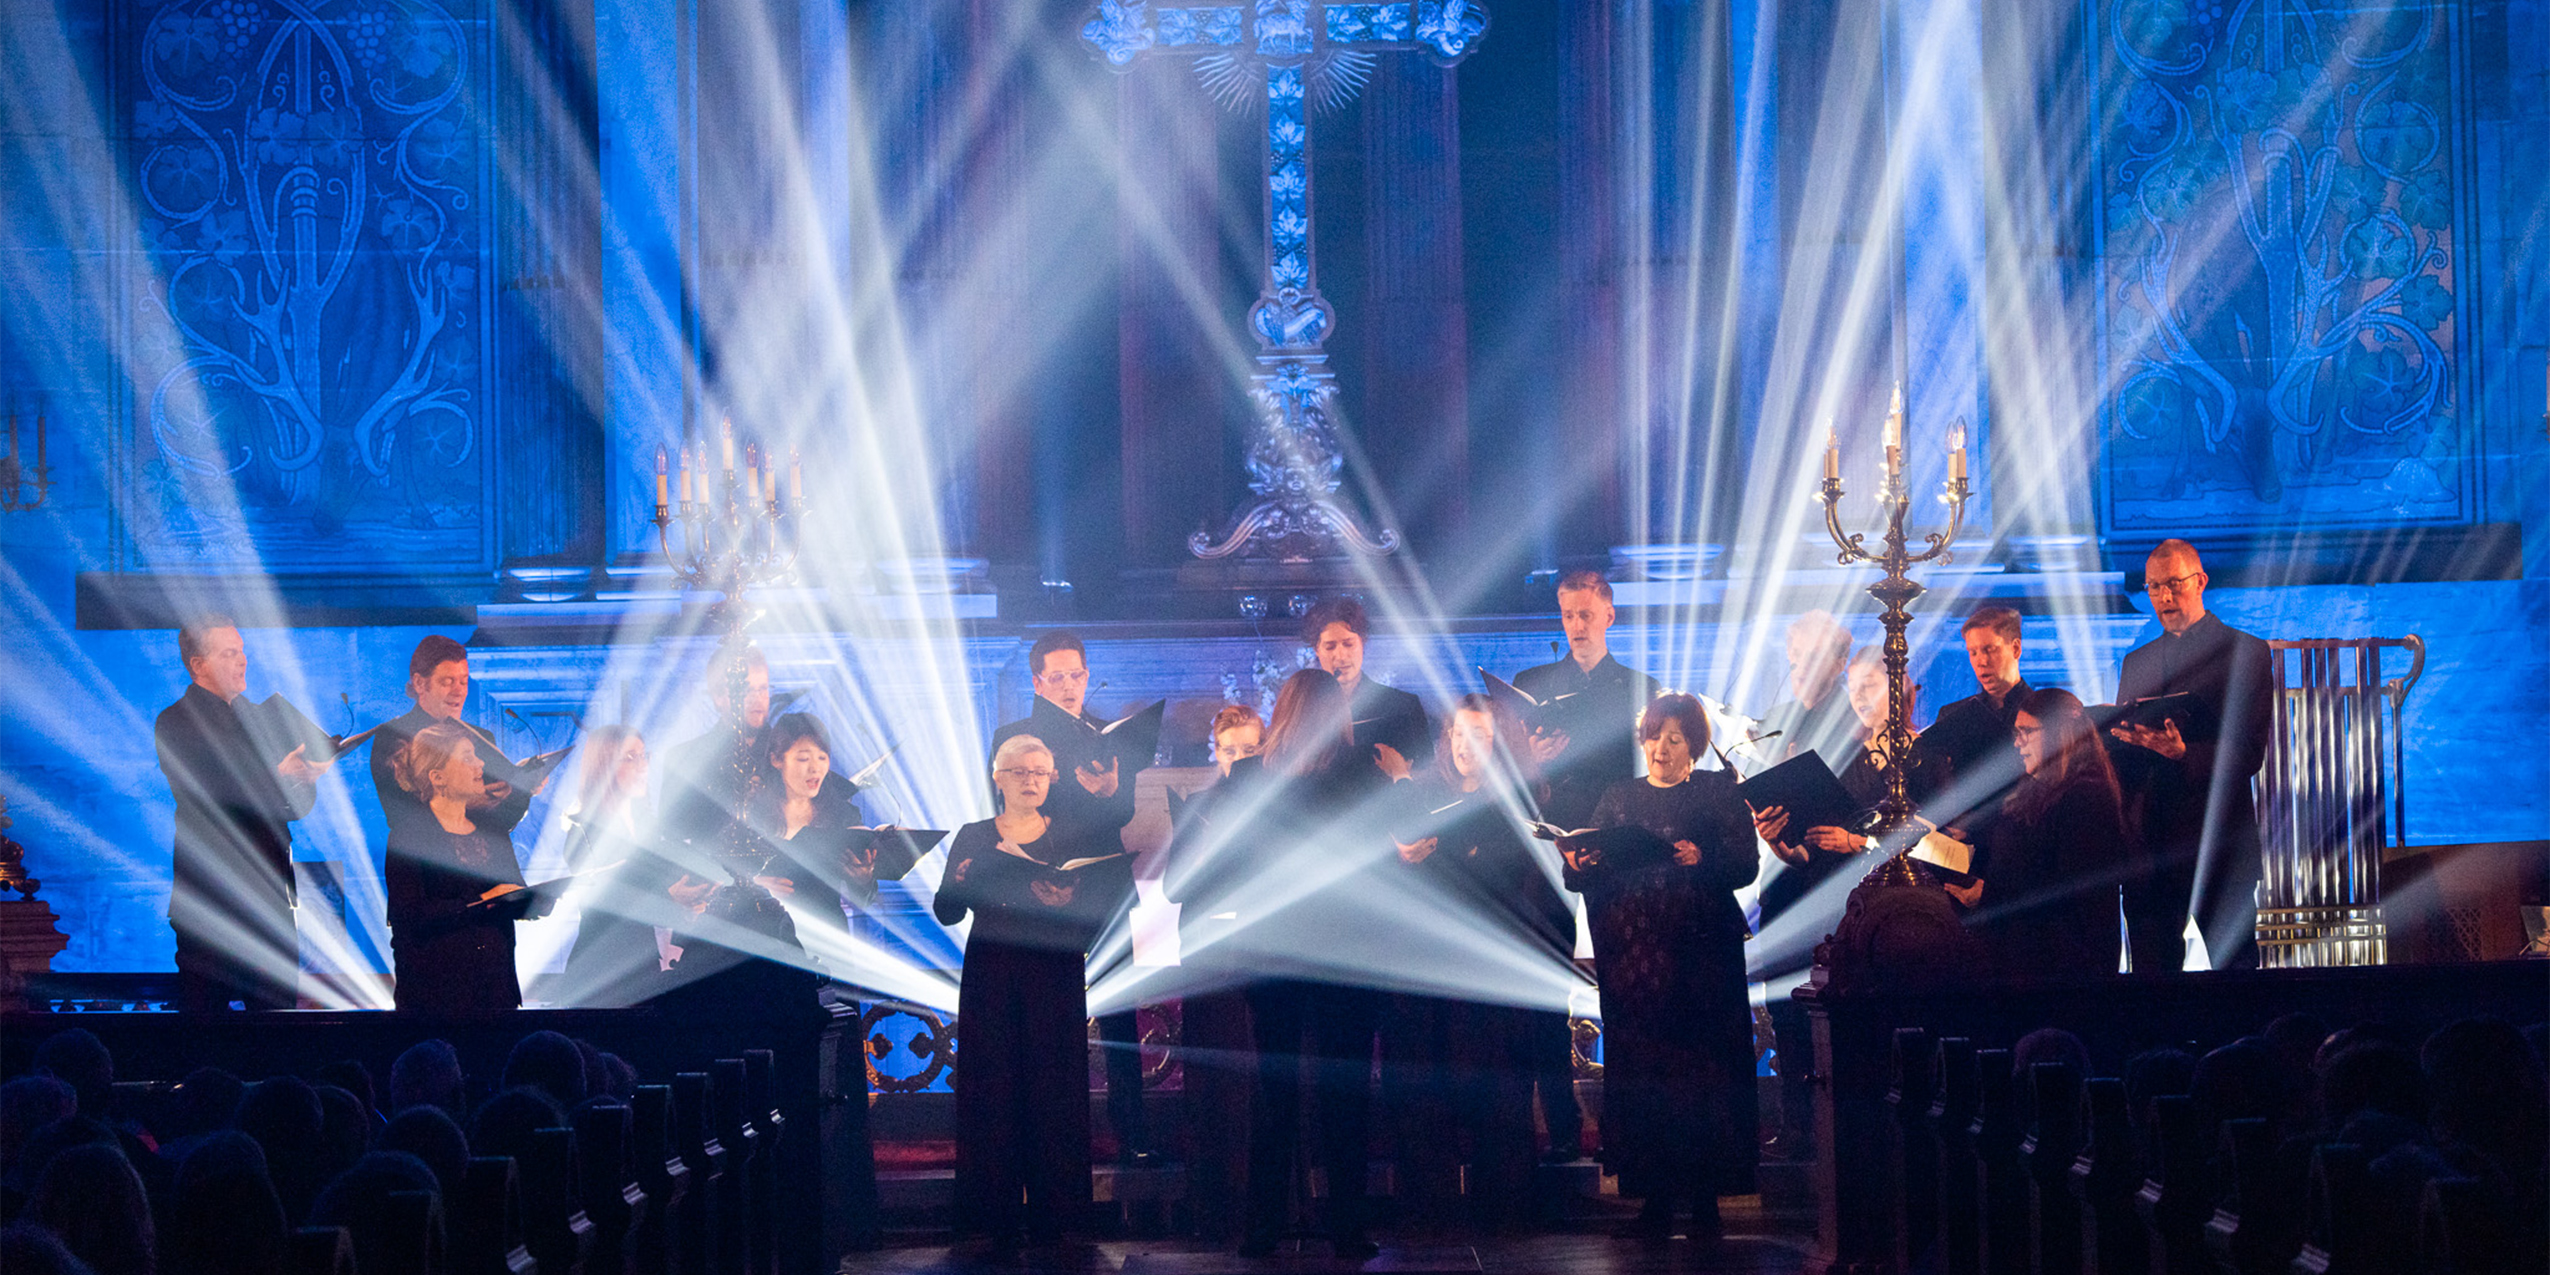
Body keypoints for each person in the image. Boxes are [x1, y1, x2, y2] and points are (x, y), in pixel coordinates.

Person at [1561, 694, 1759, 1238]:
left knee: (1701, 1077)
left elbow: (1745, 863)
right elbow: (1583, 872)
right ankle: (1653, 1198)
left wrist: (1704, 859)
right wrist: (1577, 860)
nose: (1661, 748)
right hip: (1636, 966)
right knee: (1644, 1075)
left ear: (1693, 745)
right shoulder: (1618, 796)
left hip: (1700, 964)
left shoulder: (1717, 792)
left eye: (1674, 739)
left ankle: (1704, 1201)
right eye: (1654, 736)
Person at [933, 735, 1132, 1252]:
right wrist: (958, 879)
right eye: (1019, 771)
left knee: (1056, 1087)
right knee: (992, 1087)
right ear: (997, 778)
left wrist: (1066, 898)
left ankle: (1060, 1217)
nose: (1030, 780)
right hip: (994, 969)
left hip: (1053, 971)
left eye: (1040, 772)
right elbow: (947, 911)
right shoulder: (975, 836)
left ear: (1051, 778)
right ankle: (989, 1217)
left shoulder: (1071, 835)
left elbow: (1103, 903)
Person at [1226, 670, 1387, 1259]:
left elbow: (1224, 859)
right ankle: (1347, 1228)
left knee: (1275, 1092)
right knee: (1345, 1094)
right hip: (1346, 949)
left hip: (1273, 949)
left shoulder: (1246, 776)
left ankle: (1260, 1229)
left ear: (1283, 711)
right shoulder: (1360, 771)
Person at [1387, 695, 1564, 1225]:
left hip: (1491, 965)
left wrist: (1461, 856)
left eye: (1482, 738)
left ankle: (1505, 1204)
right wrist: (1405, 855)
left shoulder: (1523, 800)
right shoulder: (1422, 794)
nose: (1467, 747)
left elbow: (1528, 885)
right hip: (1427, 963)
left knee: (1497, 1086)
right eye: (1459, 735)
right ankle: (1428, 1203)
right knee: (1423, 1085)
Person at [987, 631, 1150, 1162]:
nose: (1067, 686)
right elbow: (1007, 807)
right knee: (1047, 1010)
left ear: (1086, 676)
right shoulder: (1013, 736)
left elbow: (1123, 813)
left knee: (1120, 1007)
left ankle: (1132, 1133)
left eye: (1075, 675)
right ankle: (1050, 1139)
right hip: (1042, 885)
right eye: (1055, 677)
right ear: (1038, 682)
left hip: (1103, 880)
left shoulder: (1109, 734)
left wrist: (1108, 795)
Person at [2112, 539, 2272, 971]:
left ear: (2200, 581)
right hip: (2151, 846)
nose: (2164, 597)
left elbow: (2250, 752)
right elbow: (2124, 748)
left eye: (2174, 584)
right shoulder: (2136, 662)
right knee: (2153, 980)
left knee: (2235, 973)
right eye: (2153, 587)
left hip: (2220, 842)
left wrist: (2185, 753)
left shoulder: (2247, 652)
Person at [154, 615, 328, 1012]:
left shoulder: (261, 719)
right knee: (207, 1026)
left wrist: (304, 778)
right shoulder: (175, 722)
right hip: (210, 898)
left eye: (242, 651)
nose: (242, 661)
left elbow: (292, 810)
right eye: (230, 653)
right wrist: (277, 776)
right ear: (199, 665)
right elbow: (211, 792)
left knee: (277, 1022)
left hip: (269, 893)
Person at [1754, 649, 1941, 927]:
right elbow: (1806, 854)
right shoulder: (1841, 759)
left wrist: (1856, 843)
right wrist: (1776, 841)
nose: (1859, 695)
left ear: (1895, 686)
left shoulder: (1927, 756)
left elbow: (1937, 846)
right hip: (1838, 911)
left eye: (1868, 684)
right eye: (1852, 688)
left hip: (1900, 910)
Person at [1959, 688, 2129, 979]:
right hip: (2021, 954)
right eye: (2016, 732)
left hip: (2059, 968)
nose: (2018, 743)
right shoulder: (2034, 791)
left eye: (2027, 732)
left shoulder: (2086, 797)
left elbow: (2073, 891)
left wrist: (1991, 893)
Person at [386, 722, 543, 1012]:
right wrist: (483, 901)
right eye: (468, 756)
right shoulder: (407, 835)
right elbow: (409, 917)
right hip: (435, 998)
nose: (480, 764)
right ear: (437, 776)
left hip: (496, 992)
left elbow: (513, 894)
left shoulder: (492, 831)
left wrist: (538, 899)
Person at [555, 726, 695, 1005]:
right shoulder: (583, 829)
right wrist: (670, 899)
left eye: (644, 756)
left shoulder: (648, 825)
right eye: (629, 757)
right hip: (602, 967)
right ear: (603, 766)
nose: (642, 766)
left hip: (648, 962)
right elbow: (605, 899)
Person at [370, 635, 538, 852]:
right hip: (425, 864)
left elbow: (500, 823)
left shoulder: (481, 738)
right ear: (420, 683)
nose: (459, 691)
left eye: (464, 681)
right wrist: (477, 801)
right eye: (447, 682)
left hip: (486, 862)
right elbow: (401, 815)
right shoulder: (393, 736)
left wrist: (520, 789)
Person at [744, 712, 879, 958]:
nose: (815, 768)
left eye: (822, 757)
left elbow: (865, 899)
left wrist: (863, 879)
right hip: (765, 941)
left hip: (827, 942)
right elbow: (721, 876)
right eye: (803, 758)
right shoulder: (751, 812)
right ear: (776, 759)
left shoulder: (843, 815)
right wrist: (752, 886)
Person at [1924, 606, 2035, 839]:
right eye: (1973, 652)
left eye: (1989, 649)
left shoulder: (2045, 711)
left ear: (2015, 648)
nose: (1981, 661)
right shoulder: (1952, 715)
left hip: (2025, 836)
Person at [658, 644, 774, 848]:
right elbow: (673, 842)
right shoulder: (684, 759)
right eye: (746, 690)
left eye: (763, 688)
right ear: (718, 697)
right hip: (718, 877)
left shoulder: (792, 755)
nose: (758, 699)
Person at [1303, 596, 1432, 769]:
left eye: (1348, 644)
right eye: (1330, 647)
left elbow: (1427, 771)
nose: (1341, 656)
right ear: (1316, 650)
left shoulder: (1403, 705)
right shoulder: (1303, 710)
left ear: (1363, 643)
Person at [1756, 609, 1858, 768]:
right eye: (1796, 653)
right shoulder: (1775, 718)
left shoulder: (1855, 720)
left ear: (1839, 665)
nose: (1802, 665)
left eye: (1815, 657)